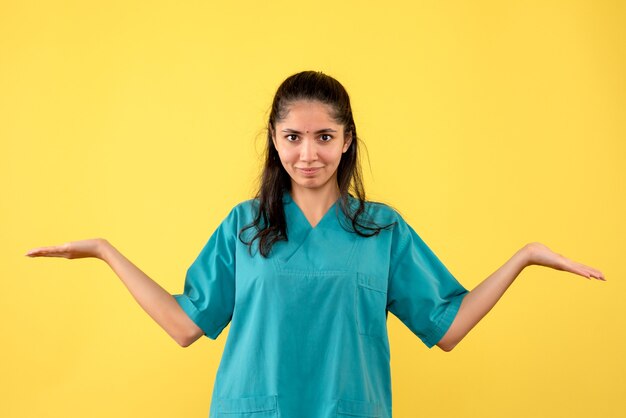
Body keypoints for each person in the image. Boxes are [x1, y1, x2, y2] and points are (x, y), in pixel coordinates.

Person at [26, 70, 605, 418]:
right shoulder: (245, 227)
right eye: (294, 137)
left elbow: (447, 329)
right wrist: (105, 251)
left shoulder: (380, 229)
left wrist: (524, 257)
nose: (309, 153)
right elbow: (185, 324)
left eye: (324, 137)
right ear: (274, 142)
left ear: (347, 141)